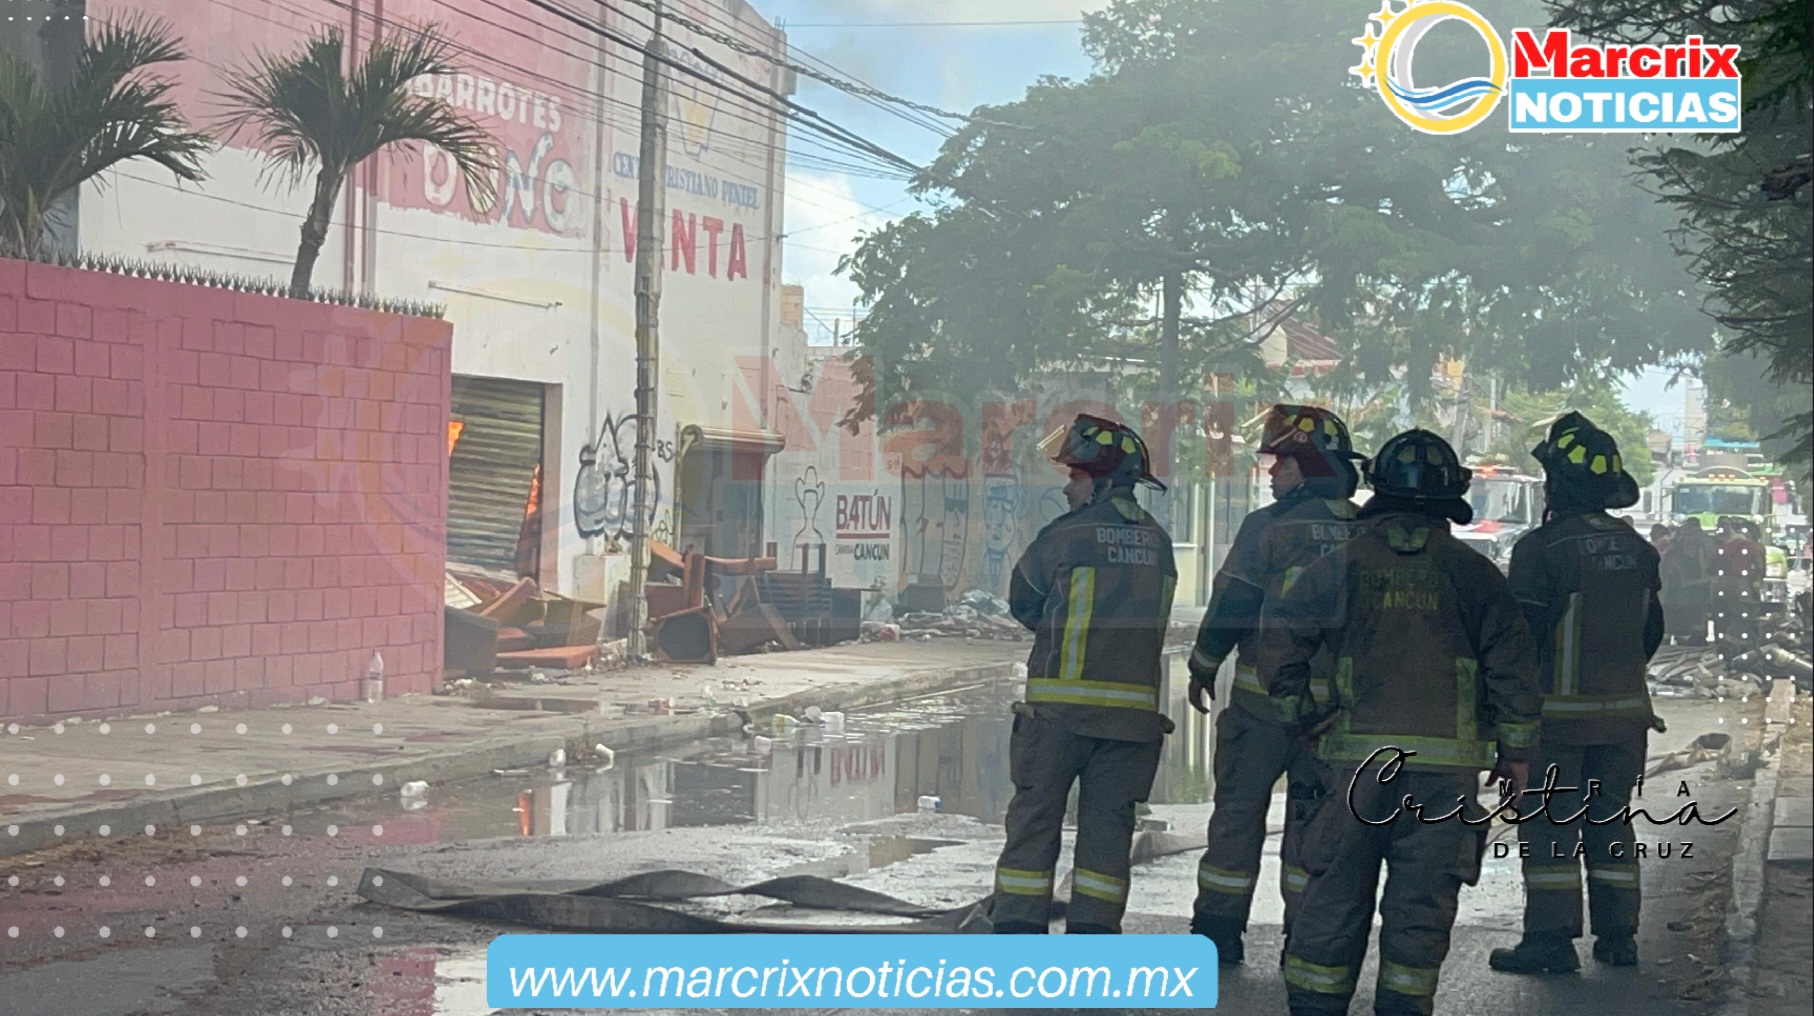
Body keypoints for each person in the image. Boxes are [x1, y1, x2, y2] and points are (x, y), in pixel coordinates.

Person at [1268, 429, 1543, 1016]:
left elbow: (1281, 638)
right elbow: (1513, 670)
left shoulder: (1339, 563)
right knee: (1420, 913)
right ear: (1449, 501)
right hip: (1444, 779)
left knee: (1334, 897)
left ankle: (1317, 1006)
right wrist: (1517, 757)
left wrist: (1301, 717)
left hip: (1352, 771)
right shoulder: (1475, 575)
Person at [1184, 405, 1368, 965]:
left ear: (1307, 467)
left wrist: (1202, 663)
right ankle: (1305, 936)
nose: (1270, 473)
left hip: (1263, 709)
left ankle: (1218, 932)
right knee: (1316, 825)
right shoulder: (1367, 532)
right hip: (1336, 718)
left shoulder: (1268, 528)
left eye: (1280, 462)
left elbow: (1234, 604)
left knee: (1238, 816)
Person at [1490, 413, 1665, 974]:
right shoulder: (1639, 550)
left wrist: (1504, 725)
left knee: (1551, 829)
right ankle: (1619, 938)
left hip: (1558, 725)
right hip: (1625, 724)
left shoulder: (1543, 550)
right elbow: (1651, 632)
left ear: (1558, 485)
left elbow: (1520, 644)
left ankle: (1550, 941)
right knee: (1611, 823)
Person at [992, 414, 1178, 935]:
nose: (1069, 487)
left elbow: (1023, 602)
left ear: (1098, 481)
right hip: (1131, 727)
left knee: (1034, 825)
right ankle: (1094, 941)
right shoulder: (1160, 543)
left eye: (1075, 477)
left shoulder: (1065, 536)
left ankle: (1016, 935)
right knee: (1108, 837)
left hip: (1058, 719)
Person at [1660, 518, 1713, 644]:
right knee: (1689, 609)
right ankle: (1688, 635)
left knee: (1692, 610)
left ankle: (1691, 635)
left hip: (1690, 582)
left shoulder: (1682, 542)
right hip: (1685, 582)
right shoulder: (1682, 543)